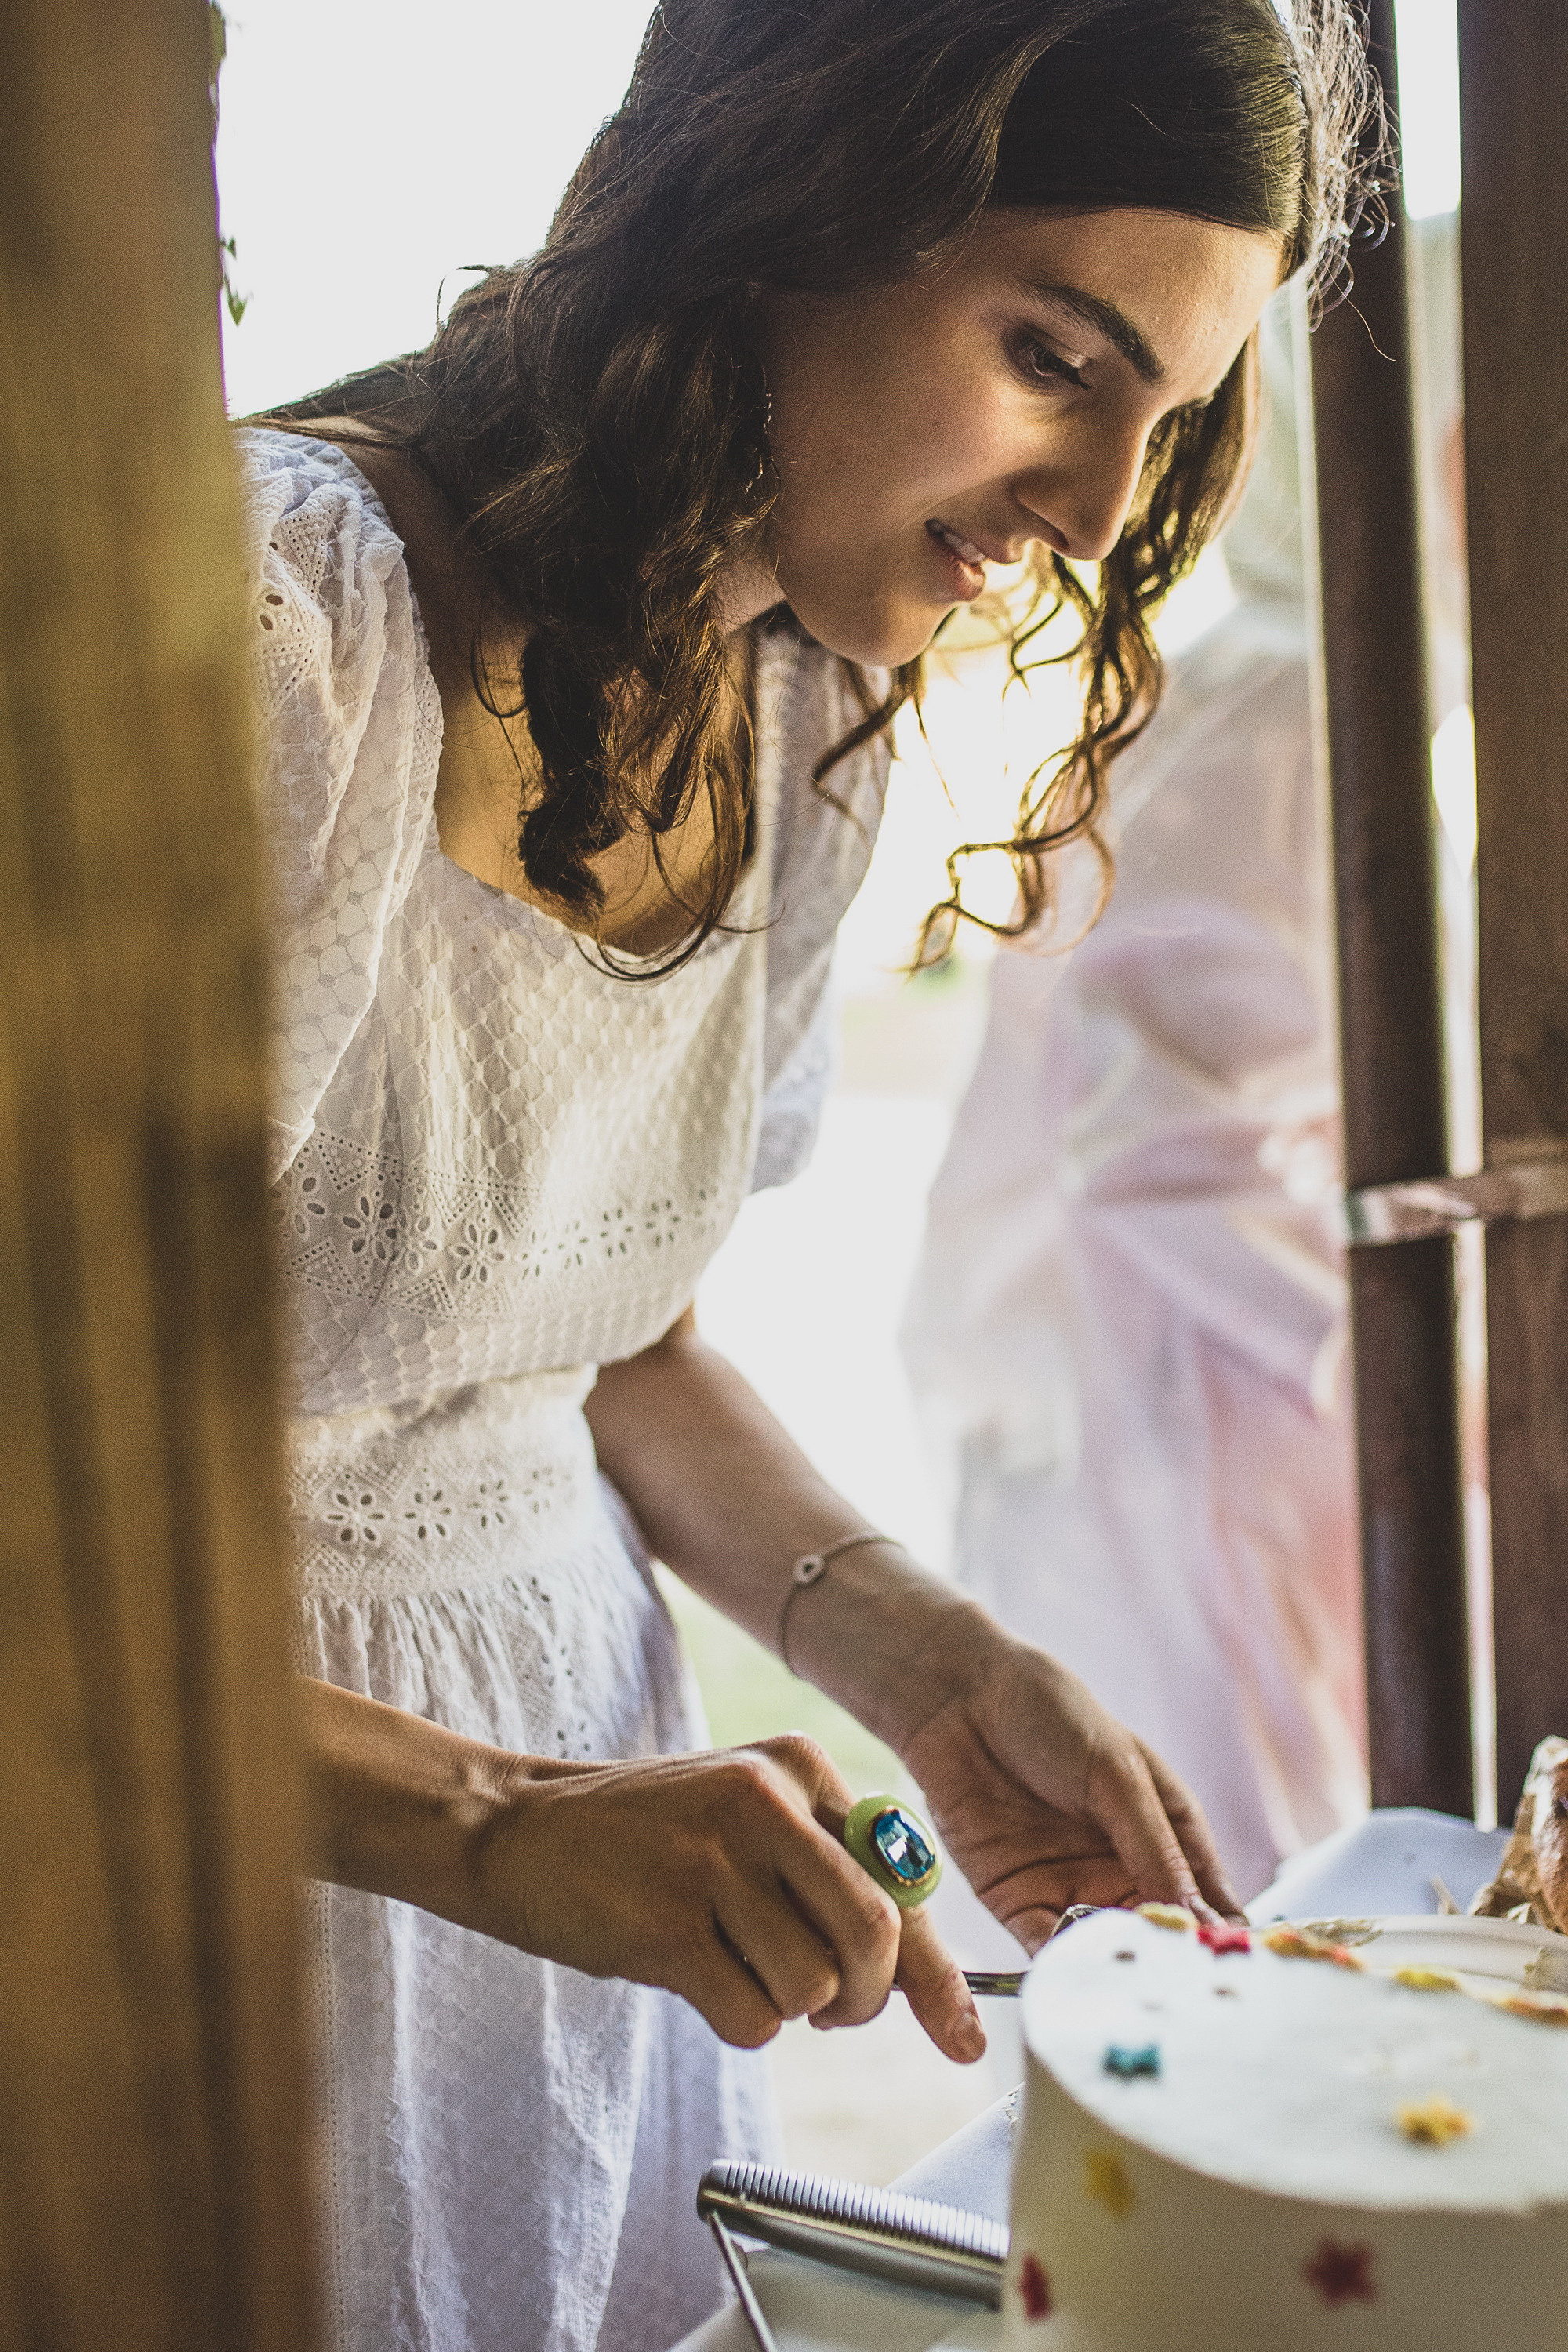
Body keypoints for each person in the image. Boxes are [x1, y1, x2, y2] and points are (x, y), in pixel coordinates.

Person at [237, 4, 1370, 2346]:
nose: (1086, 511)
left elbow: (608, 1345)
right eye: (1056, 352)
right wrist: (478, 1823)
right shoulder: (284, 629)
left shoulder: (801, 701)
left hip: (581, 1887)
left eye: (1157, 424)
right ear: (777, 195)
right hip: (220, 1876)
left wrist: (921, 1661)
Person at [904, 301, 1367, 1911]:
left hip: (1145, 1403)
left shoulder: (1251, 689)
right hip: (1194, 1425)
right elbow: (1170, 1155)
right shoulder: (1300, 720)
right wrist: (1417, 1354)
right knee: (1219, 1893)